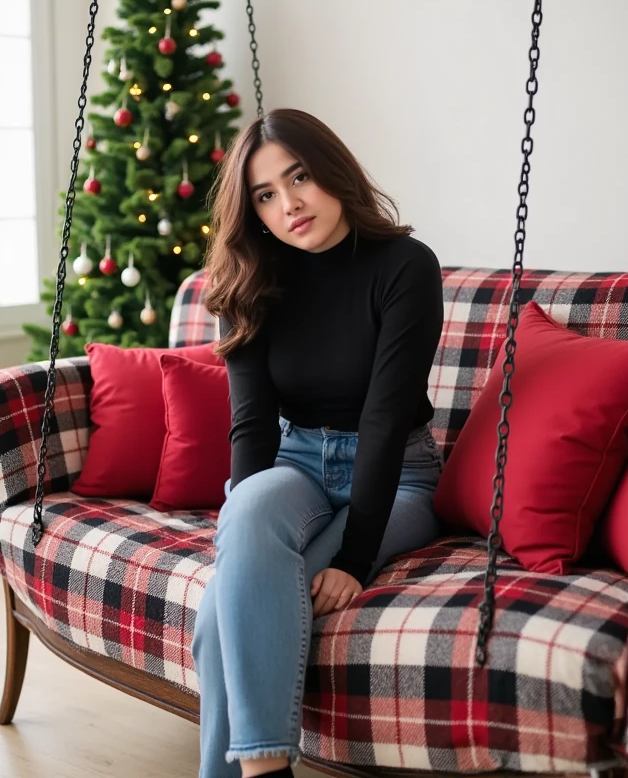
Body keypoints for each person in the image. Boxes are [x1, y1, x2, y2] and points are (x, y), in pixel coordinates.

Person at [192, 108, 444, 778]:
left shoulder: (405, 266)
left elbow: (386, 421)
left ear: (332, 170)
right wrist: (238, 526)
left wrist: (356, 559)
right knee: (246, 510)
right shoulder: (249, 281)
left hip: (400, 476)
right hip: (296, 460)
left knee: (223, 614)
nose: (289, 204)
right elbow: (250, 426)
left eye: (298, 177)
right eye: (266, 195)